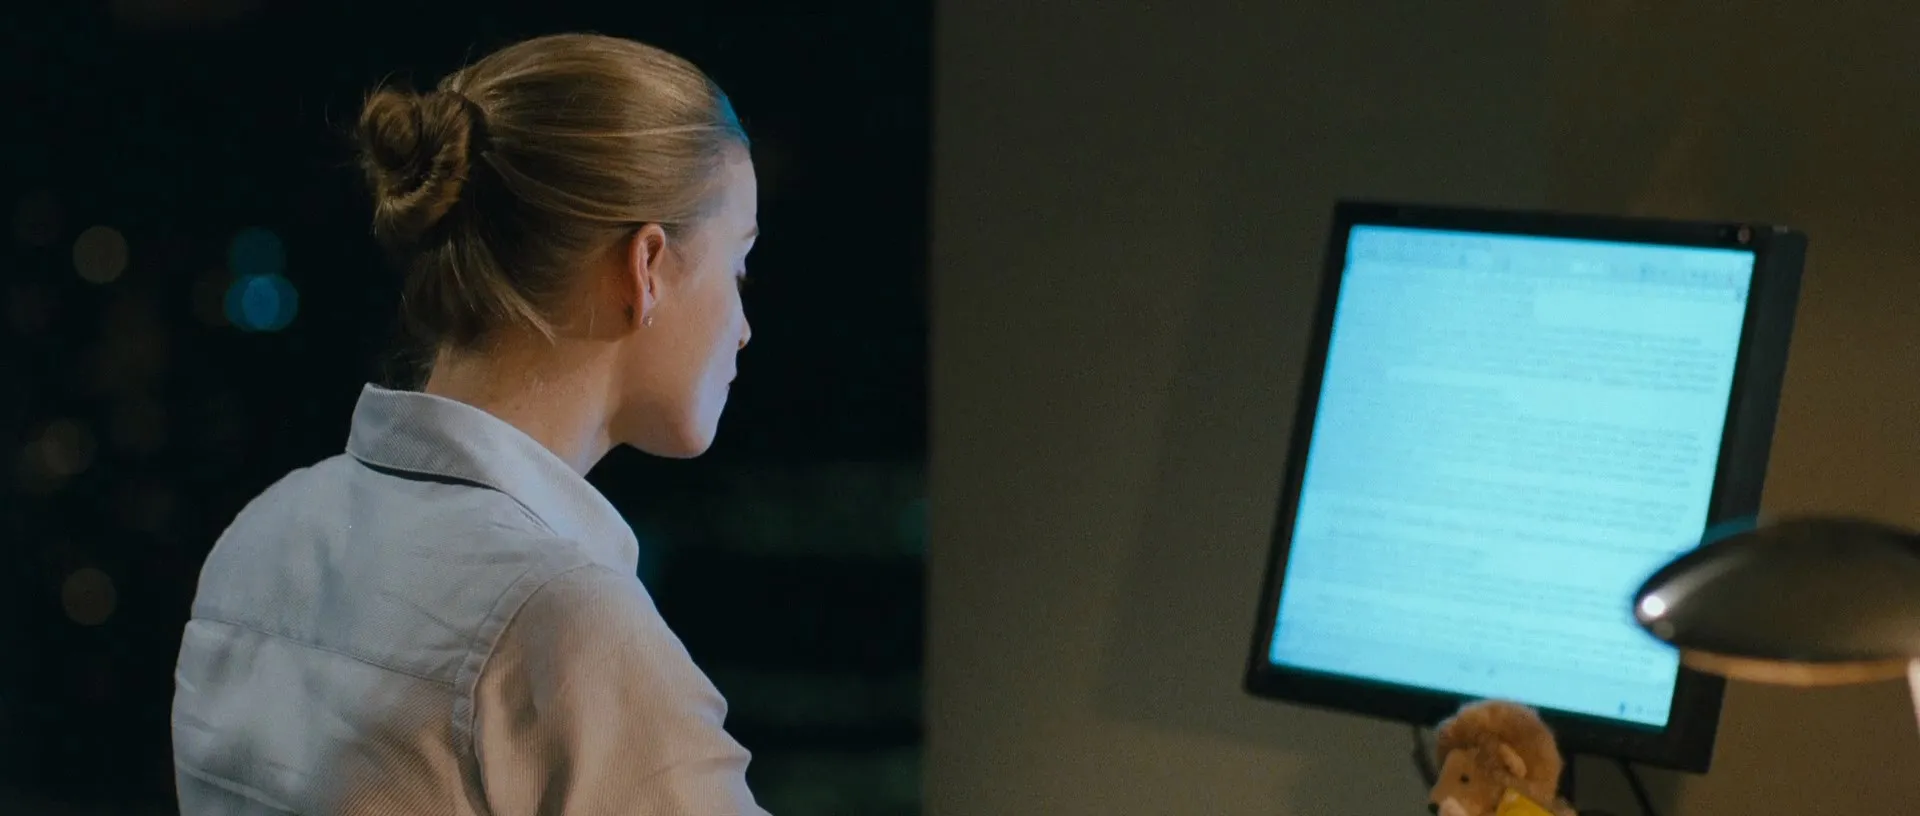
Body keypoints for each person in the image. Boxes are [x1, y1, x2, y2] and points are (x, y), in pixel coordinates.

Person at [170, 33, 766, 814]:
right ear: (646, 266)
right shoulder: (568, 625)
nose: (744, 328)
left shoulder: (262, 535)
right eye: (738, 266)